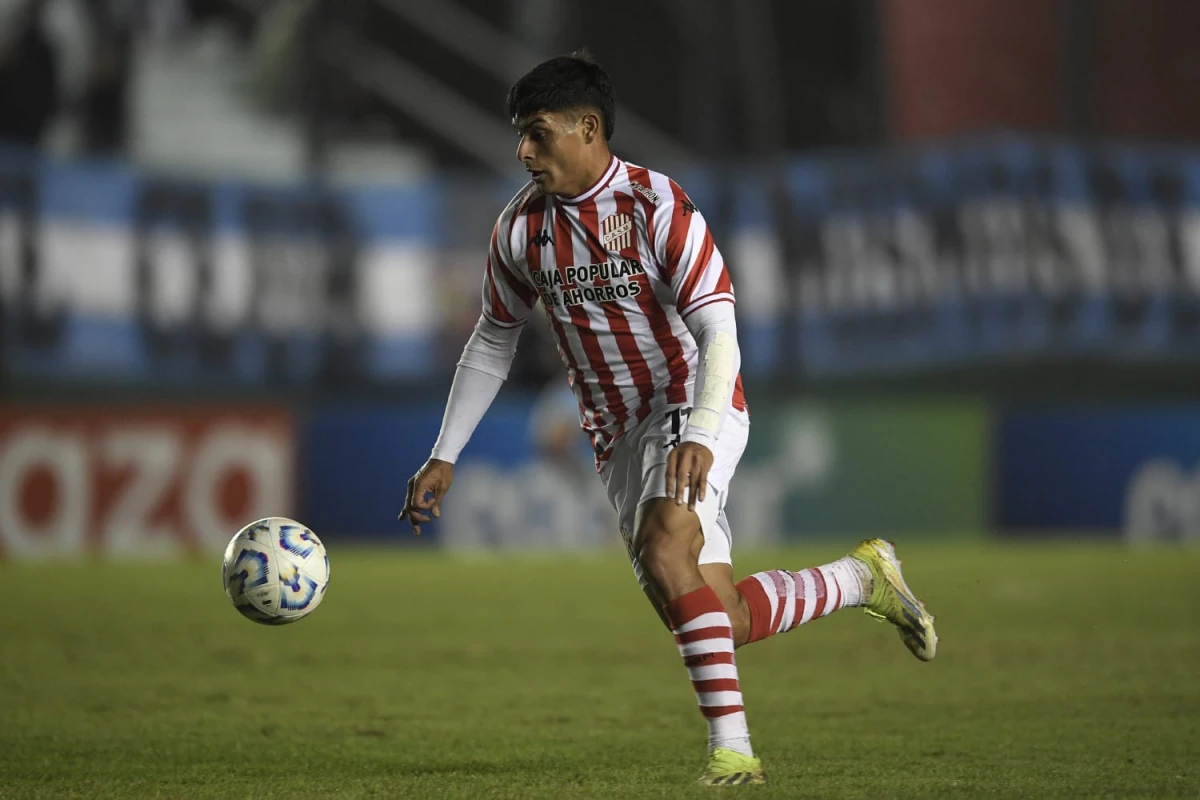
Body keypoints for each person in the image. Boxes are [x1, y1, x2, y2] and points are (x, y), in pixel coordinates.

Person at [400, 49, 938, 786]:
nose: (523, 151)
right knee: (717, 614)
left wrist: (700, 432)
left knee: (663, 546)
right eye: (520, 136)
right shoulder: (522, 229)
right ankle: (861, 579)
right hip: (615, 432)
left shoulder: (658, 207)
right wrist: (446, 452)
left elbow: (719, 330)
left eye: (537, 133)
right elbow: (493, 338)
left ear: (589, 128)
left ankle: (733, 753)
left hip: (691, 398)